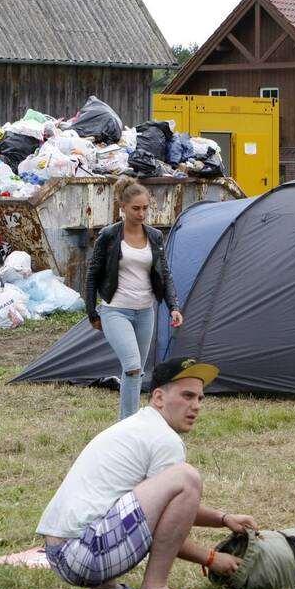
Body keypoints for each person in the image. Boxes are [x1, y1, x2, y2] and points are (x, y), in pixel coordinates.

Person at [37, 357, 258, 589]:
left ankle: (104, 587)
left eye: (200, 398)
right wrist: (211, 558)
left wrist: (223, 518)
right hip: (83, 555)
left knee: (164, 486)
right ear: (159, 397)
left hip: (61, 555)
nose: (195, 406)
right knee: (186, 478)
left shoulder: (137, 427)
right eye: (187, 396)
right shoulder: (163, 439)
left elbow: (154, 510)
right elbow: (167, 523)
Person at [85, 177, 184, 420]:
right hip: (116, 310)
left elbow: (165, 273)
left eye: (146, 208)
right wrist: (91, 313)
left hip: (145, 311)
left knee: (136, 373)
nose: (142, 213)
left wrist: (174, 306)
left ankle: (129, 423)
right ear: (123, 207)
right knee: (132, 367)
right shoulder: (109, 236)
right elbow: (92, 274)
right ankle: (126, 425)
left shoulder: (154, 236)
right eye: (136, 208)